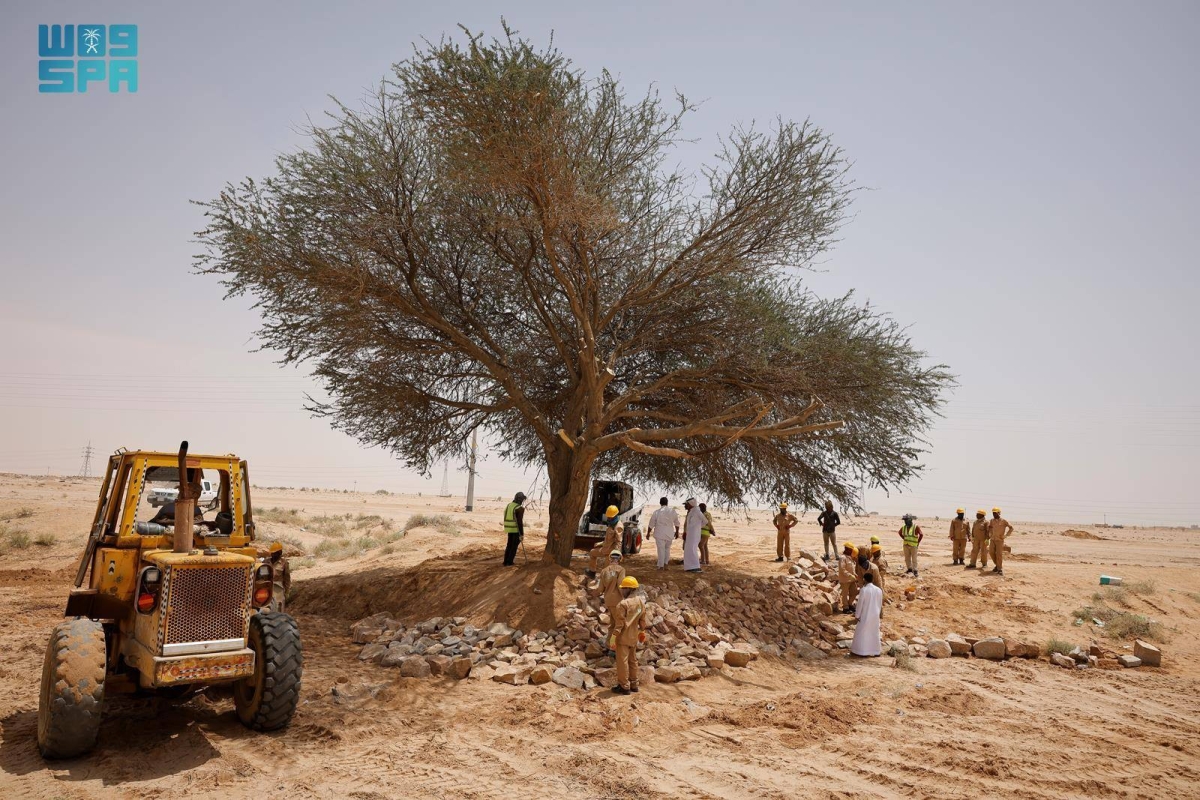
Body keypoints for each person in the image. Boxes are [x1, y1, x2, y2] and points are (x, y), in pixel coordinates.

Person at [611, 576, 648, 695]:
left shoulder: (623, 604)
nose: (621, 590)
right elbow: (642, 621)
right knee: (633, 661)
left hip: (623, 638)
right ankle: (634, 684)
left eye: (623, 588)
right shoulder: (640, 602)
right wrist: (642, 632)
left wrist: (613, 638)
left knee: (622, 662)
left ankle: (624, 686)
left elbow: (619, 625)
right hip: (633, 637)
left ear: (628, 589)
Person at [596, 550, 626, 649]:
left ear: (610, 558)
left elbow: (600, 589)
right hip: (618, 600)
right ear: (620, 559)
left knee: (613, 624)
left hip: (608, 600)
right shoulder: (621, 570)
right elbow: (621, 585)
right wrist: (626, 598)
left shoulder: (604, 571)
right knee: (619, 624)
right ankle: (614, 646)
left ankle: (609, 644)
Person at [850, 572, 883, 657]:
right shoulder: (879, 590)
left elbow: (860, 604)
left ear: (864, 579)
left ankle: (862, 652)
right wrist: (878, 613)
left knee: (862, 632)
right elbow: (880, 603)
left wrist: (857, 615)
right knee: (874, 632)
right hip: (875, 614)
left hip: (866, 614)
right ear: (872, 579)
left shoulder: (864, 590)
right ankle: (876, 651)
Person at [587, 505, 621, 577]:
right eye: (608, 517)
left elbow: (618, 542)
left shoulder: (618, 526)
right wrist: (600, 543)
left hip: (610, 553)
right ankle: (592, 572)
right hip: (604, 549)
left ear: (615, 516)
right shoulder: (611, 524)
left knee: (606, 573)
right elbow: (609, 540)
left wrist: (616, 555)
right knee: (592, 552)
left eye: (610, 517)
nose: (608, 518)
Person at [648, 497, 680, 571]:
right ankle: (666, 564)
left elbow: (651, 524)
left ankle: (660, 566)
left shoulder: (657, 512)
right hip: (669, 533)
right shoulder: (673, 511)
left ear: (660, 503)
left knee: (661, 549)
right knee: (667, 549)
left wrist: (648, 533)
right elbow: (677, 523)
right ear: (667, 503)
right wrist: (677, 532)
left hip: (660, 533)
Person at [502, 491, 526, 566]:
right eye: (522, 499)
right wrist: (521, 534)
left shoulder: (509, 505)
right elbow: (519, 522)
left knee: (509, 545)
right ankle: (509, 562)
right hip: (515, 529)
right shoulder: (519, 508)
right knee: (514, 546)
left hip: (508, 528)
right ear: (520, 500)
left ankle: (505, 561)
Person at [988, 507, 1014, 576]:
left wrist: (1006, 535)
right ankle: (997, 565)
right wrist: (990, 534)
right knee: (991, 552)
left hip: (999, 540)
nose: (994, 514)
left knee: (999, 554)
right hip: (992, 539)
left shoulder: (1004, 521)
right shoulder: (991, 521)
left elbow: (1011, 528)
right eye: (993, 513)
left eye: (995, 513)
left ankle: (999, 569)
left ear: (999, 513)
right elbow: (989, 527)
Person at [268, 540, 291, 612]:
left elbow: (287, 578)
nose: (273, 554)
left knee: (278, 607)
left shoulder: (284, 563)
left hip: (278, 588)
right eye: (272, 553)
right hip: (267, 586)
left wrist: (287, 592)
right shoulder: (266, 562)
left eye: (275, 553)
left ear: (280, 553)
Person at [682, 498, 704, 573]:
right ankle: (689, 567)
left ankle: (695, 566)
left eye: (686, 504)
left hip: (694, 534)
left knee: (692, 549)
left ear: (691, 504)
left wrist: (697, 528)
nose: (685, 506)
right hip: (690, 534)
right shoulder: (691, 512)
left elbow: (705, 521)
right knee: (688, 550)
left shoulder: (697, 511)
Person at [838, 542, 859, 612]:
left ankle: (850, 604)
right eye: (851, 550)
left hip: (852, 579)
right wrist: (850, 575)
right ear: (847, 549)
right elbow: (842, 569)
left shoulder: (850, 558)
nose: (852, 551)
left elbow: (852, 568)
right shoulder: (842, 558)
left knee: (854, 592)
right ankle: (845, 607)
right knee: (845, 594)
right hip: (845, 580)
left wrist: (855, 574)